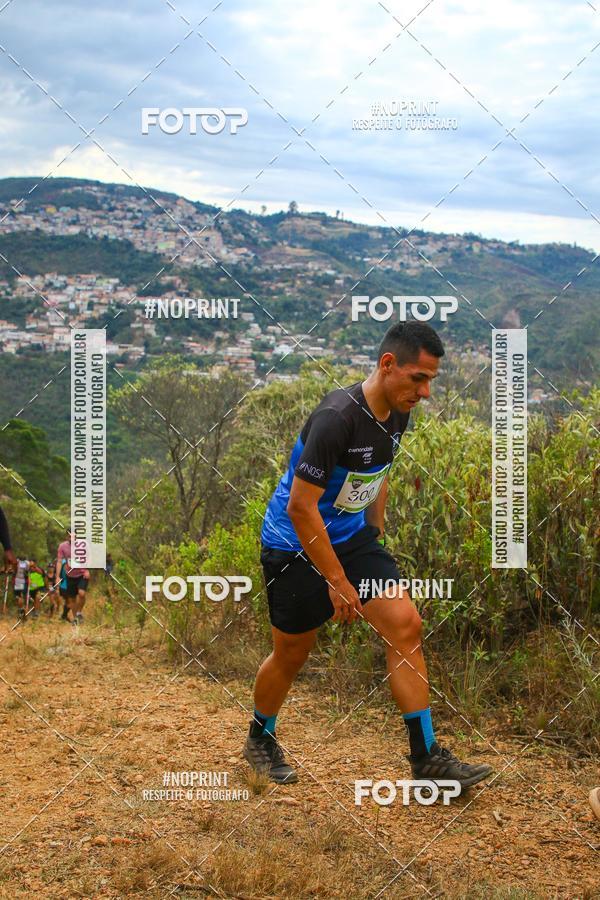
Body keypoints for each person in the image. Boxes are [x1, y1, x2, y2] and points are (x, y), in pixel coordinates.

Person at [244, 321, 494, 789]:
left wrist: (373, 537)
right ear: (387, 365)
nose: (424, 392)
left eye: (430, 382)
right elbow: (301, 507)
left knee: (406, 625)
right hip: (294, 543)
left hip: (351, 538)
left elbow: (378, 473)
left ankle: (426, 758)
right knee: (293, 651)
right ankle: (260, 737)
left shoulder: (398, 412)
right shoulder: (337, 417)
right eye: (418, 379)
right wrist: (339, 582)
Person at [56, 532, 90, 626]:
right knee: (72, 599)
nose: (71, 538)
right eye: (69, 536)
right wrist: (57, 576)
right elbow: (59, 561)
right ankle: (76, 619)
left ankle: (79, 613)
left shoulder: (84, 545)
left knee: (81, 593)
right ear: (67, 536)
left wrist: (87, 570)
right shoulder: (62, 546)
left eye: (74, 536)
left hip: (82, 574)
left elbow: (88, 558)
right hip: (70, 575)